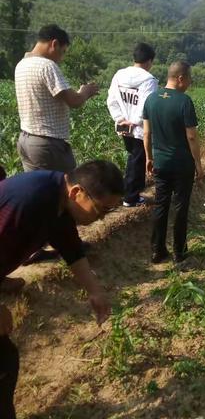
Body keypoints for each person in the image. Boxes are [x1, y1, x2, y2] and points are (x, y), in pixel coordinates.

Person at [0, 160, 124, 419]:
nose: (100, 218)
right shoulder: (30, 201)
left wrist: (94, 290)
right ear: (77, 192)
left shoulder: (58, 200)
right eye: (100, 210)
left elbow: (70, 247)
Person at [15, 24, 99, 173]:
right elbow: (74, 101)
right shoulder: (47, 66)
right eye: (63, 51)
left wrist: (79, 92)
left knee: (38, 190)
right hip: (47, 144)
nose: (62, 57)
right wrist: (86, 92)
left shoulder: (22, 64)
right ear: (54, 44)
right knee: (65, 187)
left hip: (26, 140)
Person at [143, 61, 204, 264]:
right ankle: (179, 252)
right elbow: (192, 137)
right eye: (189, 78)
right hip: (182, 164)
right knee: (180, 207)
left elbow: (146, 133)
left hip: (160, 162)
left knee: (161, 205)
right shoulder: (184, 101)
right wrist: (198, 163)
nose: (189, 82)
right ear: (180, 78)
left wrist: (149, 157)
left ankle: (157, 250)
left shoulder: (151, 100)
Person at [107, 43, 158, 207]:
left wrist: (120, 119)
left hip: (123, 127)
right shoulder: (148, 80)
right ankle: (130, 197)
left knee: (133, 158)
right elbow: (146, 106)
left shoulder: (119, 75)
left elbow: (112, 100)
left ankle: (128, 192)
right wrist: (135, 122)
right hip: (140, 129)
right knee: (137, 161)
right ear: (149, 61)